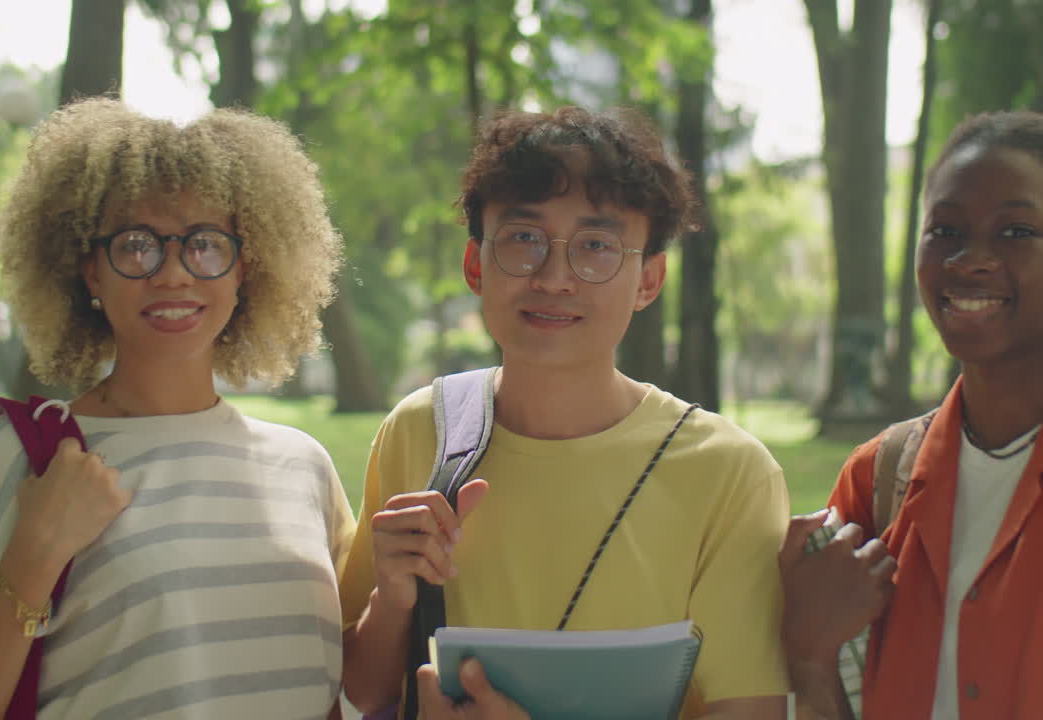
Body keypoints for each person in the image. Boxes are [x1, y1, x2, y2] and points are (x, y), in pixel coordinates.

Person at [0, 97, 354, 719]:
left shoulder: (305, 467)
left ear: (245, 267)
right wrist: (36, 555)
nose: (172, 275)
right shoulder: (30, 457)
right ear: (89, 272)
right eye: (136, 245)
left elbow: (349, 684)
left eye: (205, 244)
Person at [338, 106, 791, 719]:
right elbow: (365, 692)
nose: (555, 278)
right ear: (476, 264)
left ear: (648, 279)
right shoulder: (423, 431)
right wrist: (391, 601)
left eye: (596, 246)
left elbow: (749, 710)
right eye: (524, 238)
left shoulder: (729, 474)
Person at [782, 110, 1043, 719]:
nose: (971, 259)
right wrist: (809, 654)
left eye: (1015, 232)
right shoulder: (876, 481)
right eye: (946, 231)